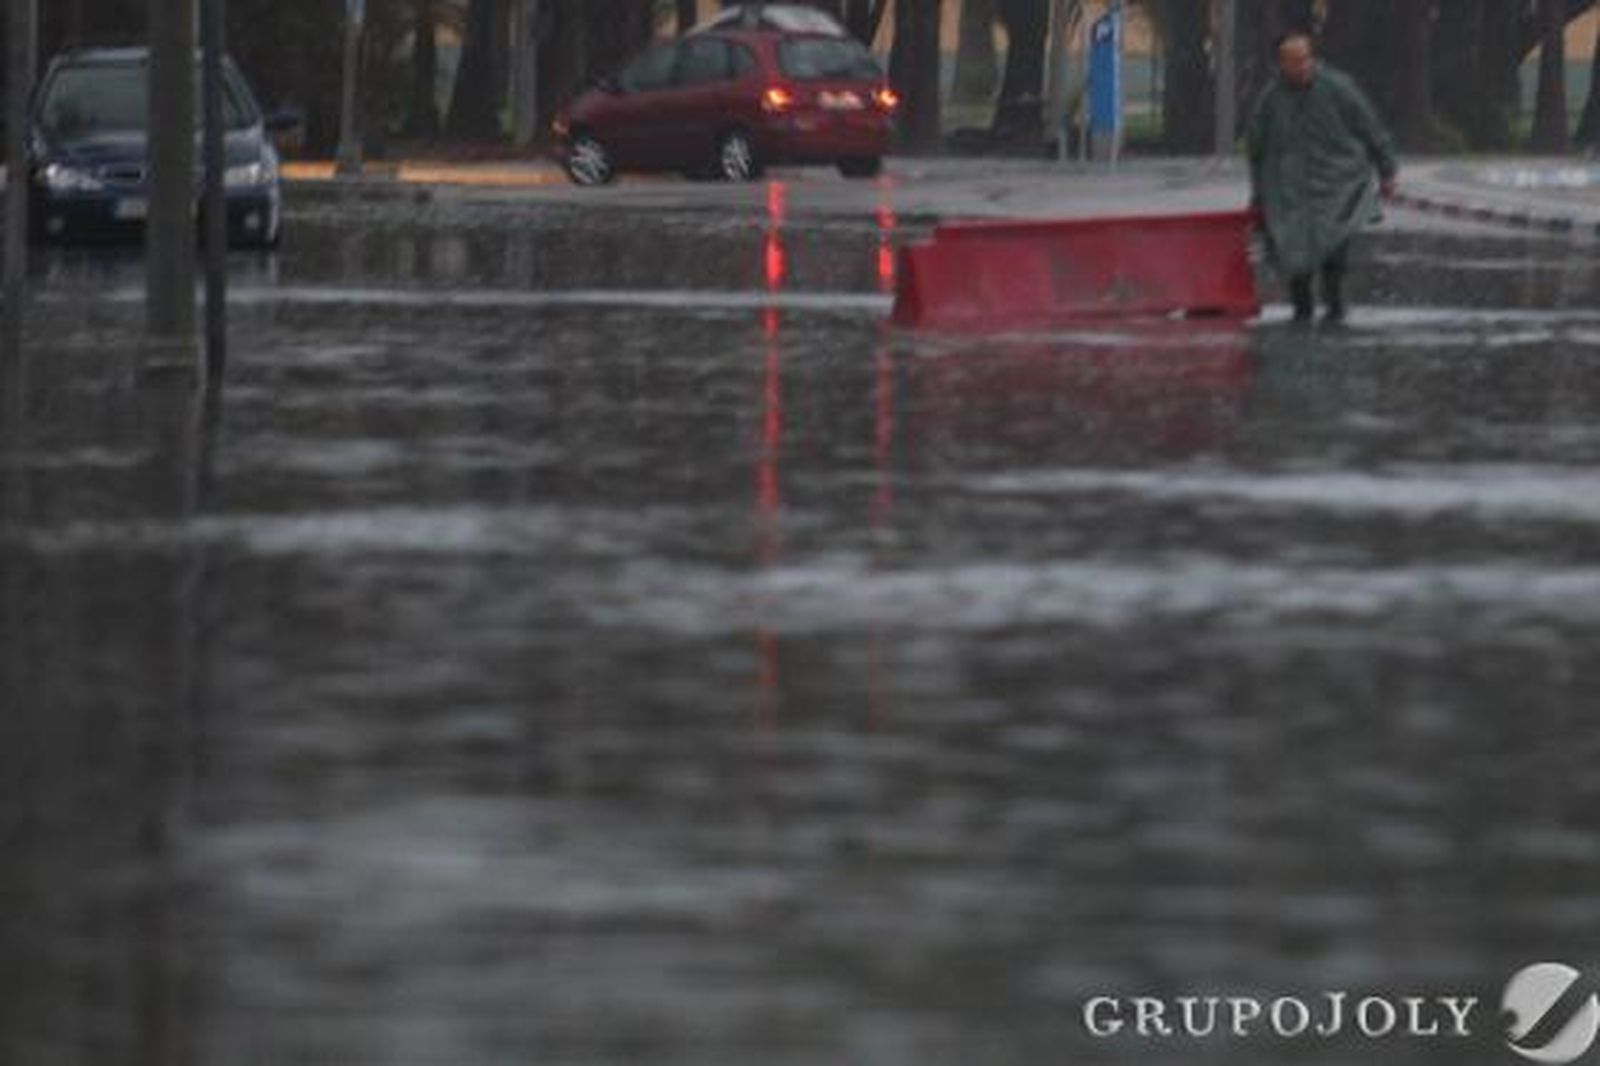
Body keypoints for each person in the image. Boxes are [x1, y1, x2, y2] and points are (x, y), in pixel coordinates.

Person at [1247, 32, 1398, 325]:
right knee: (1293, 252)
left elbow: (1370, 127)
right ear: (1281, 64)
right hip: (1290, 192)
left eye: (1305, 59)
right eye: (1293, 61)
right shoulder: (1271, 99)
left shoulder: (1338, 88)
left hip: (1335, 185)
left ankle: (1334, 308)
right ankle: (1301, 310)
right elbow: (1257, 149)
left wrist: (1387, 169)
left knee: (1334, 248)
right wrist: (1259, 193)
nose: (1301, 67)